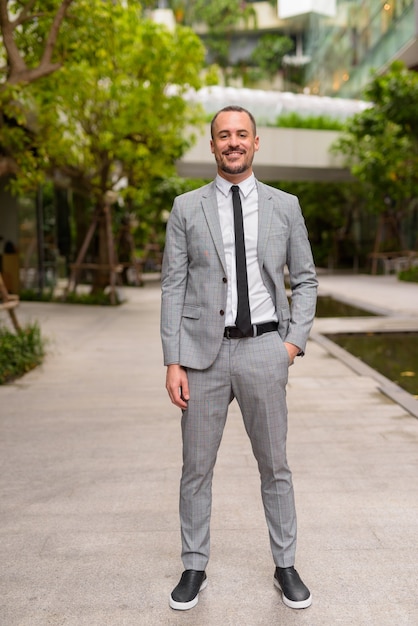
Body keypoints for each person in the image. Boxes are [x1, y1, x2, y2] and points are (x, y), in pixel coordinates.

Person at [160, 105, 318, 612]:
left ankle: (286, 564)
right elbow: (173, 285)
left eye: (241, 134)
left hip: (264, 351)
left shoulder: (284, 205)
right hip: (202, 357)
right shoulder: (186, 208)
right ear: (212, 146)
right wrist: (173, 360)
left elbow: (306, 278)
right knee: (195, 469)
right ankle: (193, 566)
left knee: (275, 466)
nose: (233, 142)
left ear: (256, 142)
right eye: (223, 135)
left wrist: (291, 343)